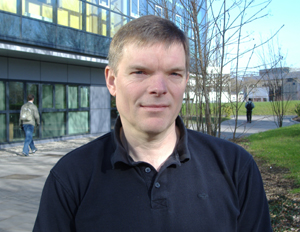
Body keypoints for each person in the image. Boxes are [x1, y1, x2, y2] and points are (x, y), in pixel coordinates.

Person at [33, 15, 272, 231]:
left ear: (186, 81)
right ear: (112, 81)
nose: (159, 88)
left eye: (174, 73)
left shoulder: (235, 167)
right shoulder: (71, 177)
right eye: (140, 72)